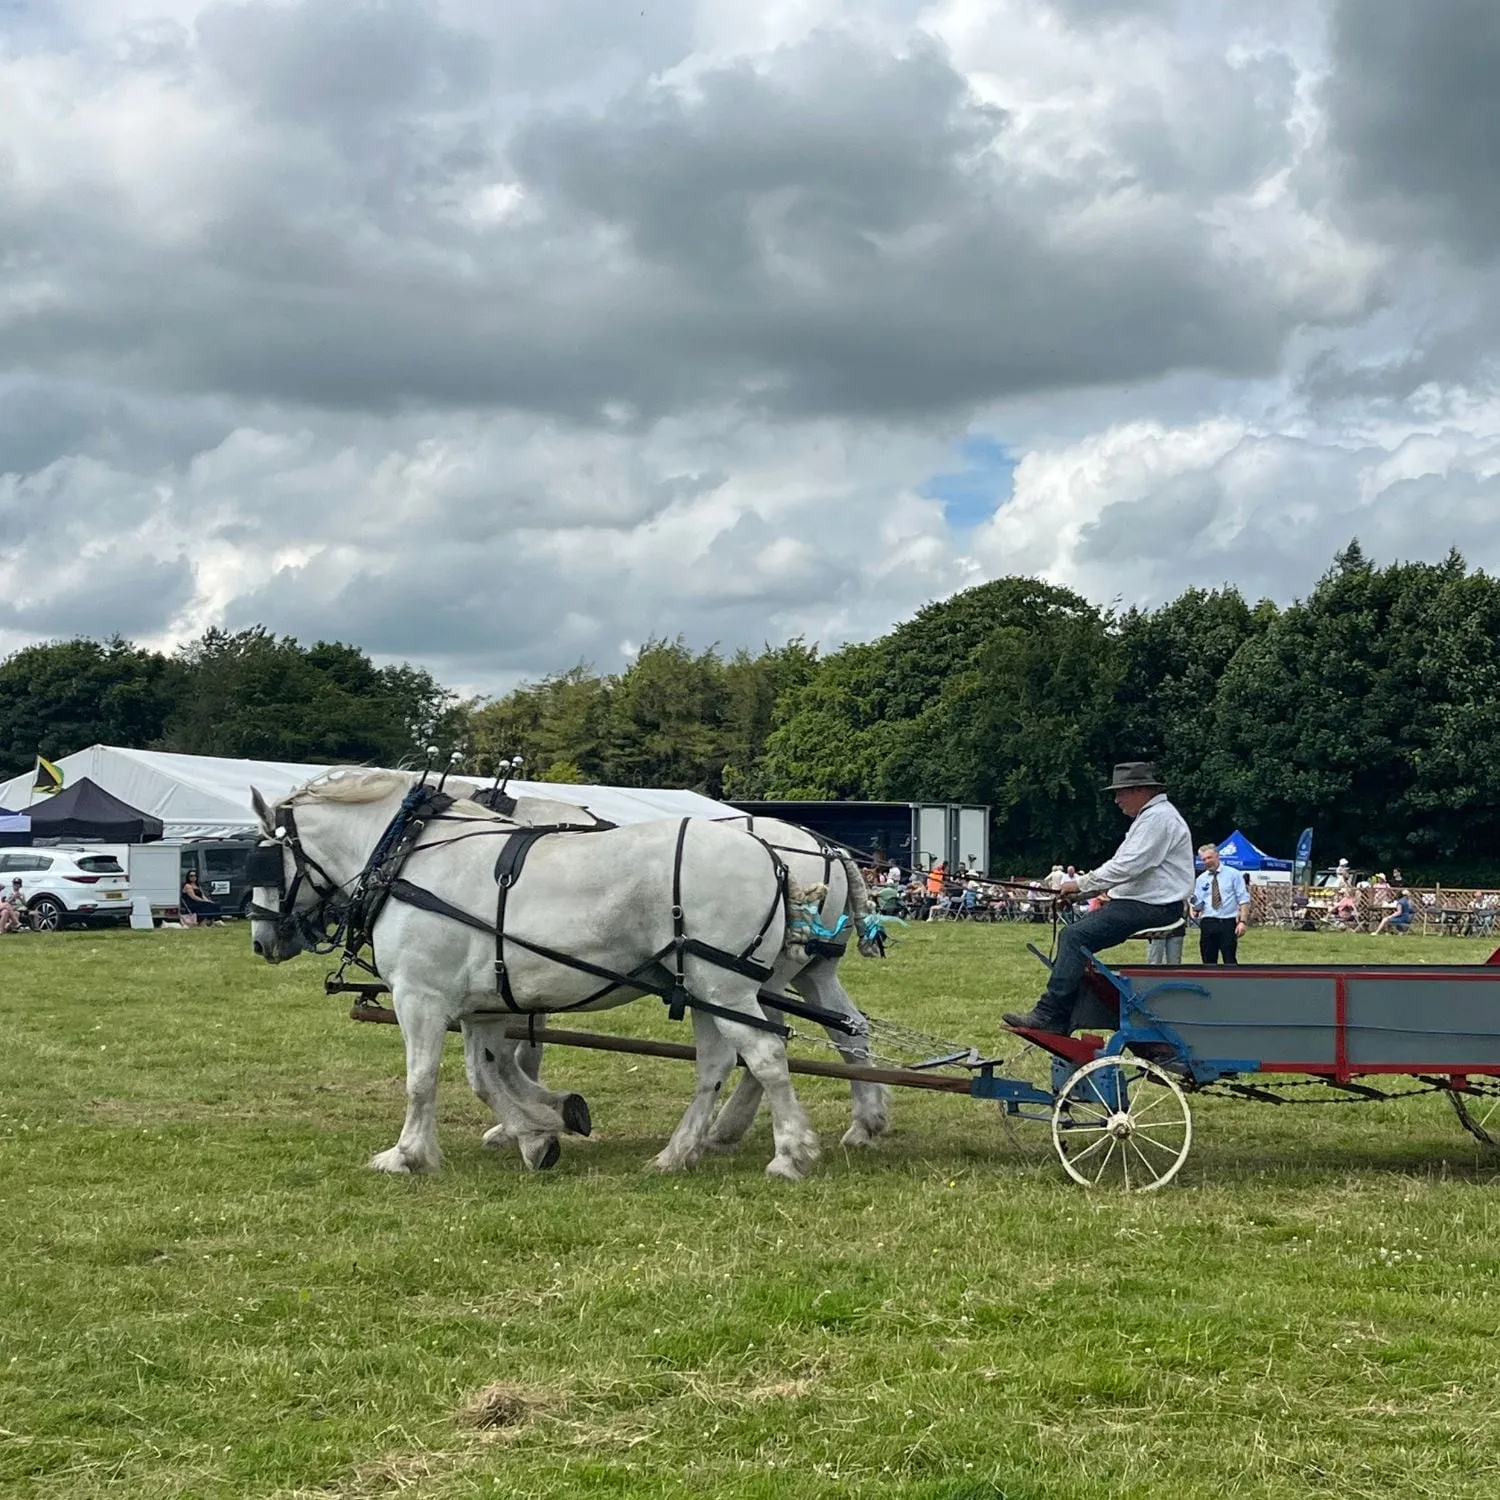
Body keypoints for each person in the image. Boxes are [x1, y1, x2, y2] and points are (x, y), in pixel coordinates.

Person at [1003, 762, 1194, 1034]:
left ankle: (1050, 1015)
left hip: (1153, 907)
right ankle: (1062, 1010)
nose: (1116, 800)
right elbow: (1128, 871)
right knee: (1075, 940)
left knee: (1074, 937)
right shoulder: (1153, 817)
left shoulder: (1158, 819)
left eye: (1120, 793)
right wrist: (1083, 890)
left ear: (1140, 790)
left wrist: (1079, 884)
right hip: (1144, 903)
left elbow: (1125, 867)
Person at [1191, 843, 1251, 964]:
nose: (1207, 861)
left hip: (1227, 922)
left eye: (1209, 858)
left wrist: (1243, 922)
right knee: (1208, 961)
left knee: (1229, 961)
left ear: (1217, 856)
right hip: (1208, 922)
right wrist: (1194, 909)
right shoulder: (1201, 879)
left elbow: (1243, 900)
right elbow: (1197, 902)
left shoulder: (1234, 875)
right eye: (1204, 859)